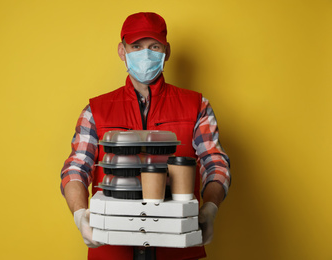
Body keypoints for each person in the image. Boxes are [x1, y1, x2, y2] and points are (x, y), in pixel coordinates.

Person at [61, 12, 231, 260]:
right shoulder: (95, 111)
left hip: (178, 248)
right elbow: (76, 168)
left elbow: (215, 163)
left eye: (154, 46)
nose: (145, 54)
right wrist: (80, 214)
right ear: (122, 51)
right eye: (136, 46)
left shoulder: (196, 106)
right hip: (113, 248)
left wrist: (210, 208)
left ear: (166, 51)